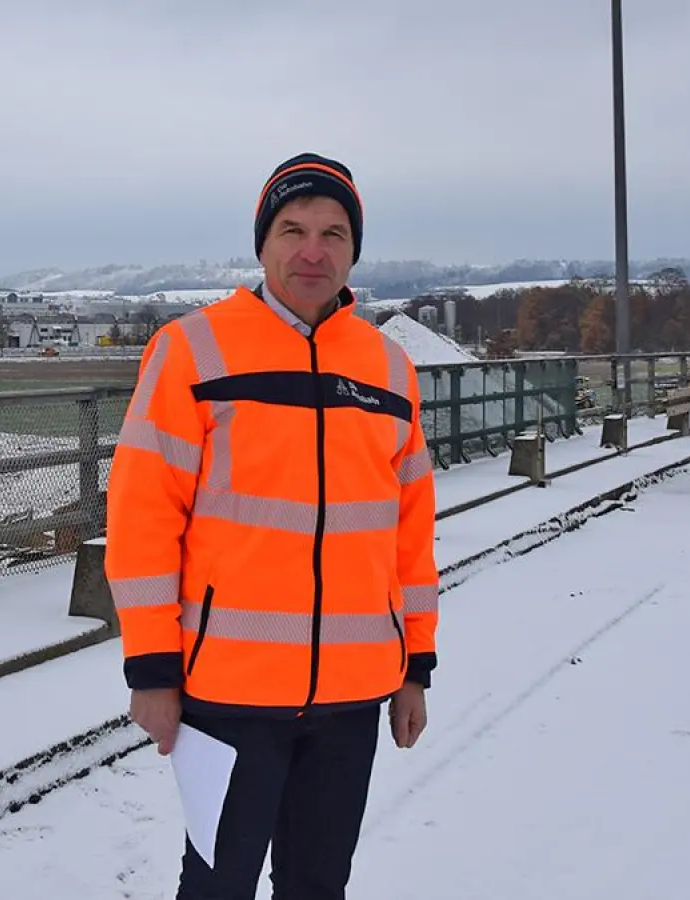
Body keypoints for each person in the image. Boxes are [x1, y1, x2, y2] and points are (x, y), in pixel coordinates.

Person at [104, 152, 441, 898]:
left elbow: (409, 536)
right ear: (262, 244)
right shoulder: (192, 349)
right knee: (218, 884)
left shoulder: (389, 369)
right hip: (226, 694)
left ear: (354, 250)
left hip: (352, 699)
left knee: (318, 885)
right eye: (292, 230)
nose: (312, 251)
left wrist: (414, 666)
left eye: (333, 232)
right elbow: (142, 517)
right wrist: (152, 670)